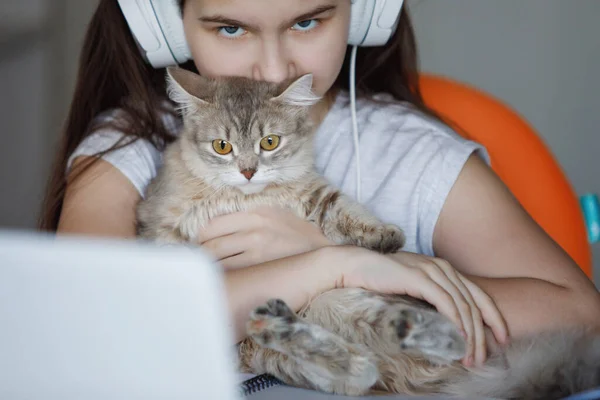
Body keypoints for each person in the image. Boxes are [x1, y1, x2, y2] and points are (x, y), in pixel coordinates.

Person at [39, 0, 599, 368]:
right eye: (231, 28)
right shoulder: (131, 145)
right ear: (160, 26)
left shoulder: (413, 156)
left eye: (307, 21)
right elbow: (92, 326)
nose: (274, 69)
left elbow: (580, 315)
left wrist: (354, 267)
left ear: (364, 14)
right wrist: (331, 266)